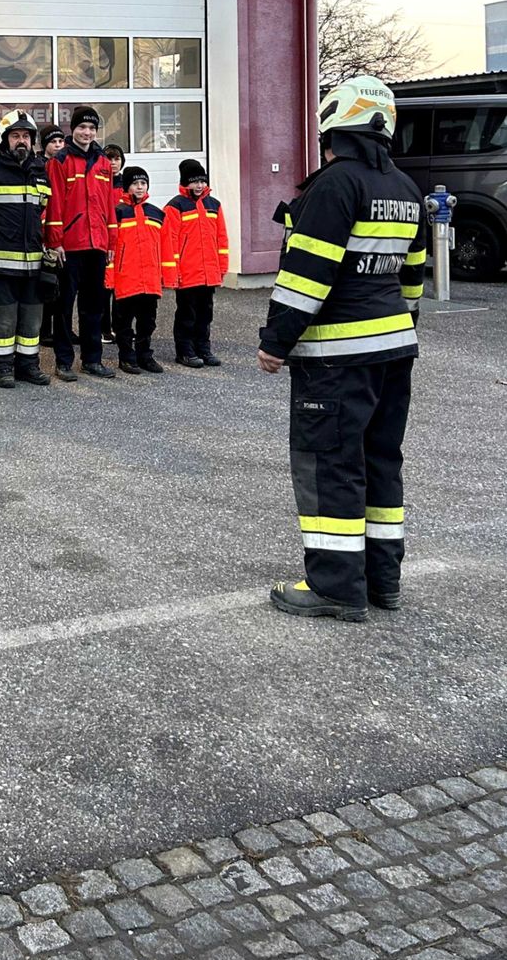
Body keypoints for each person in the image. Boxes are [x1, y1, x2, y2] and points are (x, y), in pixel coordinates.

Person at [259, 75, 427, 622]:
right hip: (393, 352)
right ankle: (383, 580)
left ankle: (334, 586)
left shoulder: (333, 187)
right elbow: (412, 279)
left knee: (329, 465)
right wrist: (397, 327)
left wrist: (274, 342)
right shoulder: (405, 188)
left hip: (334, 358)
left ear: (336, 127)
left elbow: (307, 276)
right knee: (380, 461)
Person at [0, 110, 52, 389]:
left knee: (31, 318)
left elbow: (45, 214)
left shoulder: (40, 171)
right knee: (2, 319)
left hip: (33, 262)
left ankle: (28, 366)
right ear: (4, 139)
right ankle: (2, 367)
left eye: (26, 136)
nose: (21, 141)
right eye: (15, 136)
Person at [44, 106, 117, 381]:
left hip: (97, 245)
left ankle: (92, 360)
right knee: (63, 306)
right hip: (69, 247)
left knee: (94, 306)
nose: (86, 133)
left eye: (91, 128)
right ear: (72, 129)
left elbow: (109, 206)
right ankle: (63, 362)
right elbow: (54, 206)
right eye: (82, 128)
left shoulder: (102, 163)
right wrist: (55, 242)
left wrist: (112, 241)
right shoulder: (59, 161)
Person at [105, 165, 173, 375]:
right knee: (123, 323)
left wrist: (167, 277)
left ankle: (145, 355)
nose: (140, 187)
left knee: (148, 322)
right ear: (127, 187)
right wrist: (109, 279)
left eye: (143, 183)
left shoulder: (156, 214)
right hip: (125, 279)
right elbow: (110, 250)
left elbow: (167, 248)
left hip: (150, 280)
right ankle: (126, 357)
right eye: (135, 183)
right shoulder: (116, 212)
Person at [163, 159, 229, 367]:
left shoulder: (214, 205)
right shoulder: (174, 207)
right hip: (187, 274)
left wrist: (222, 267)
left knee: (205, 314)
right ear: (185, 183)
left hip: (209, 273)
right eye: (194, 182)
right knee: (186, 314)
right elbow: (169, 243)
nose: (199, 185)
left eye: (202, 181)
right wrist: (173, 273)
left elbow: (222, 239)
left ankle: (203, 348)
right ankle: (184, 351)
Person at [37, 124, 66, 358]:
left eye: (60, 141)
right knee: (47, 283)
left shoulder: (65, 164)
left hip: (62, 230)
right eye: (53, 142)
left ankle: (61, 329)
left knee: (62, 286)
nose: (58, 145)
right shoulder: (40, 166)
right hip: (44, 231)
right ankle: (44, 330)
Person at [102, 141, 128, 342]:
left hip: (125, 243)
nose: (113, 162)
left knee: (121, 288)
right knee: (104, 289)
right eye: (109, 158)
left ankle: (120, 327)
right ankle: (104, 329)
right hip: (104, 241)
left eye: (116, 158)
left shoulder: (127, 184)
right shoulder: (99, 181)